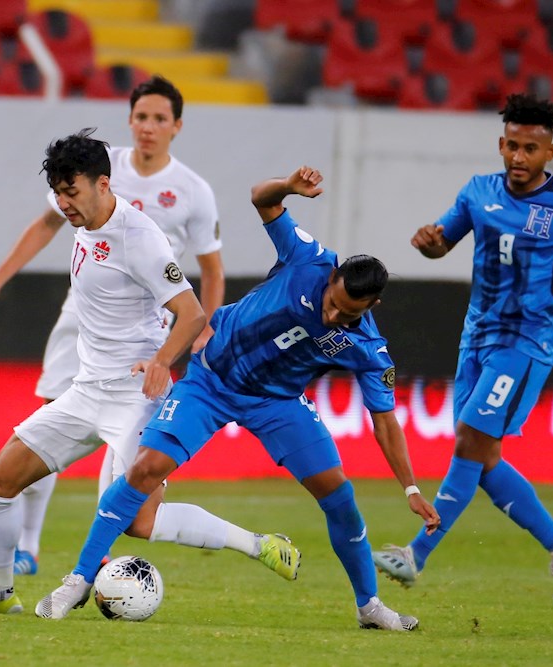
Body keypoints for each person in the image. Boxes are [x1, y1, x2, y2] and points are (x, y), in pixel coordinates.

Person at [34, 165, 442, 631]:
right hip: (211, 380)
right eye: (332, 300)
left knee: (340, 497)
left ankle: (370, 607)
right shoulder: (308, 259)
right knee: (146, 468)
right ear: (332, 278)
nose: (332, 313)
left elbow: (385, 420)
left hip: (278, 403)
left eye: (346, 313)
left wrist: (410, 487)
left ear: (372, 307)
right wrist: (288, 187)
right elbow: (261, 199)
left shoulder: (368, 349)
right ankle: (78, 579)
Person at [0, 129, 298, 615]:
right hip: (86, 390)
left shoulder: (140, 238)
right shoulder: (80, 214)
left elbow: (191, 312)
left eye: (72, 192)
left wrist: (159, 361)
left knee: (140, 523)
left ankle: (260, 545)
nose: (64, 203)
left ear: (103, 184)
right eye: (59, 193)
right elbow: (46, 222)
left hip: (136, 396)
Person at [373, 93, 553, 606]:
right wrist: (427, 241)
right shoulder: (478, 192)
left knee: (470, 440)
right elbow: (442, 242)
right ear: (501, 144)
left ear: (550, 152)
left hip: (524, 344)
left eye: (531, 149)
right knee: (482, 455)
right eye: (512, 146)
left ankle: (416, 555)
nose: (519, 157)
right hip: (475, 338)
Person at [0, 75, 225, 576]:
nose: (147, 127)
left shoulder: (186, 196)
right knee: (28, 438)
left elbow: (203, 282)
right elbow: (46, 224)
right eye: (141, 117)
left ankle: (102, 559)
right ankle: (27, 549)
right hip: (87, 319)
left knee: (137, 517)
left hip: (142, 344)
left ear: (176, 127)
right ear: (130, 122)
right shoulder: (91, 179)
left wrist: (188, 345)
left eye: (158, 119)